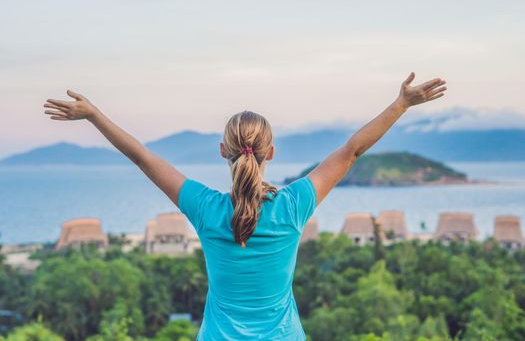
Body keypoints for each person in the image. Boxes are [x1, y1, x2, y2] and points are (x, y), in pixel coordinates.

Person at [43, 72, 446, 340]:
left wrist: (94, 115)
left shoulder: (205, 208)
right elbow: (352, 150)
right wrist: (401, 105)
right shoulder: (293, 206)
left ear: (223, 151)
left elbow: (144, 158)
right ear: (271, 151)